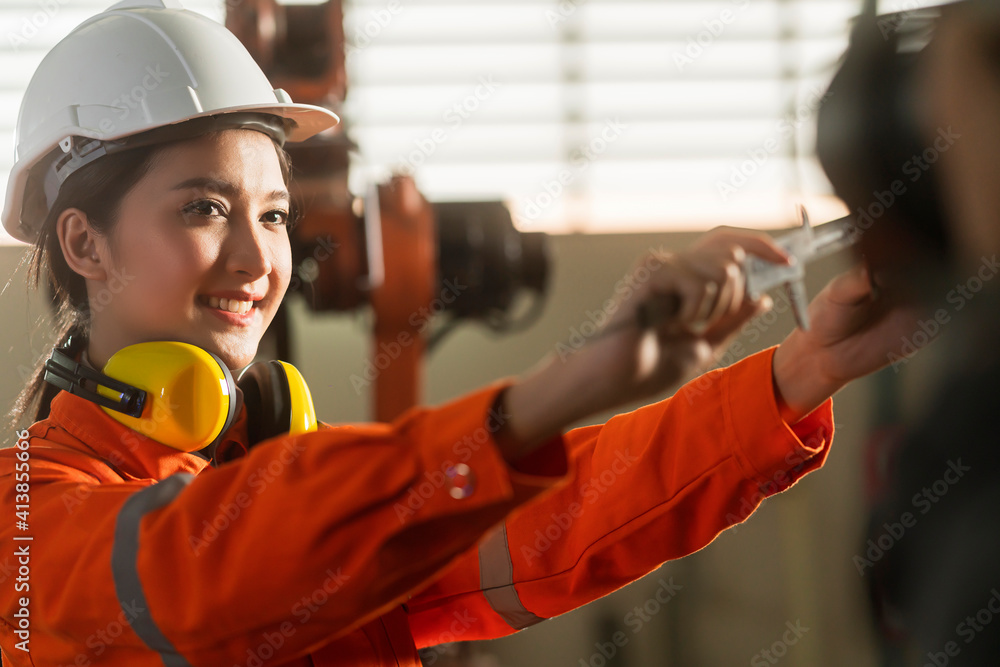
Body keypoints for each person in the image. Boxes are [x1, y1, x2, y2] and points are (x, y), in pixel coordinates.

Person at [0, 1, 917, 666]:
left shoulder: (273, 469)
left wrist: (796, 374)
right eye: (203, 207)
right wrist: (568, 382)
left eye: (274, 215)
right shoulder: (28, 522)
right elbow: (201, 568)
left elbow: (554, 526)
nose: (256, 257)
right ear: (84, 241)